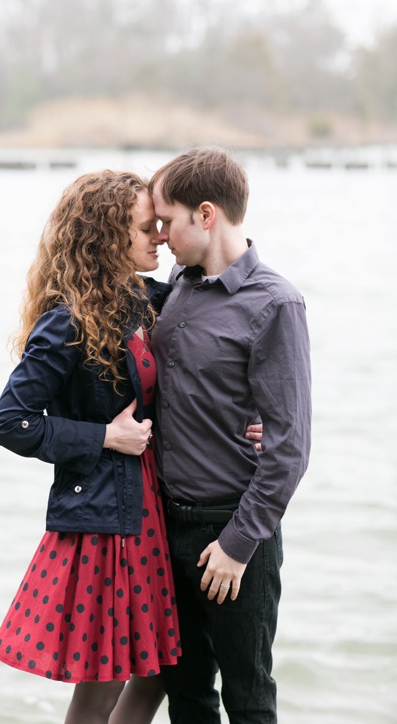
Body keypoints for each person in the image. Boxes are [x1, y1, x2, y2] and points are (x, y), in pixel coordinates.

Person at [0, 170, 179, 724]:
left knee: (160, 674)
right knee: (102, 686)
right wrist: (103, 436)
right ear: (106, 236)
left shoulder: (152, 300)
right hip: (108, 522)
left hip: (153, 510)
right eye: (147, 228)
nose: (160, 237)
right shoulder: (66, 323)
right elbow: (11, 423)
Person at [149, 147, 311, 724]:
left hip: (235, 535)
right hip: (167, 527)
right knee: (188, 698)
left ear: (207, 214)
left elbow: (289, 449)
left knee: (248, 698)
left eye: (168, 220)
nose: (161, 234)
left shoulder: (276, 303)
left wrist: (239, 546)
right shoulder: (178, 286)